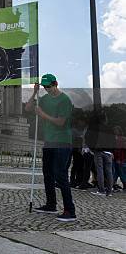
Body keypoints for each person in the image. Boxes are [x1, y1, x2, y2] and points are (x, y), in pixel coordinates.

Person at [26, 73, 77, 222]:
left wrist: (43, 115)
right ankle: (51, 204)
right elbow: (29, 108)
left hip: (62, 141)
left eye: (48, 86)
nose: (47, 89)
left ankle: (70, 210)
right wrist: (35, 92)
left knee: (60, 175)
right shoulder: (44, 98)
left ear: (55, 84)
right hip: (49, 141)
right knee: (47, 173)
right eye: (44, 87)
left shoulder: (65, 100)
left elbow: (61, 122)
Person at [89, 113, 114, 197]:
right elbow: (113, 141)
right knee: (109, 171)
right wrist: (112, 151)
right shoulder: (110, 129)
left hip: (99, 151)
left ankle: (101, 190)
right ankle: (109, 191)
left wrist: (92, 149)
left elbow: (90, 139)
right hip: (109, 152)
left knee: (100, 171)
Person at [113, 126, 126, 191]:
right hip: (115, 158)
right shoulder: (114, 138)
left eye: (117, 130)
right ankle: (113, 184)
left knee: (122, 173)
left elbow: (121, 150)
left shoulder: (122, 139)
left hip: (121, 159)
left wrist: (120, 159)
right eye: (114, 130)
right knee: (116, 173)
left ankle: (124, 185)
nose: (115, 131)